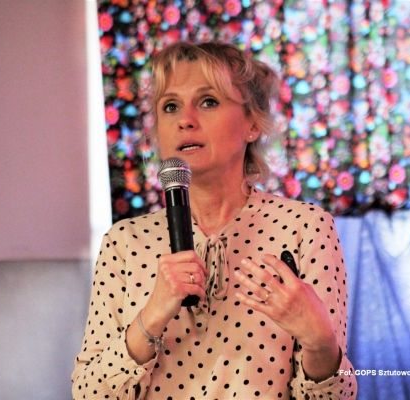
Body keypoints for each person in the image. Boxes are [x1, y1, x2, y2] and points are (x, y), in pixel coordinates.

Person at [72, 41, 357, 399]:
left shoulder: (306, 227)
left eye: (208, 101)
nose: (185, 120)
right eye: (170, 106)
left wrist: (320, 343)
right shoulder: (125, 242)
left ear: (252, 123)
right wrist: (152, 316)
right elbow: (88, 393)